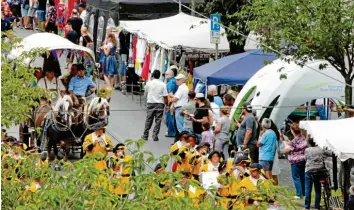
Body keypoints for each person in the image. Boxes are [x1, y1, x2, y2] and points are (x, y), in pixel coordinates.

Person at [304, 138, 331, 210]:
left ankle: (307, 207)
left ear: (309, 142)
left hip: (309, 170)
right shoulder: (321, 149)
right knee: (317, 189)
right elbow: (331, 153)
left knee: (308, 190)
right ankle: (317, 206)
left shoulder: (307, 150)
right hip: (319, 171)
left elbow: (305, 158)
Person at [281, 123, 307, 199]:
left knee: (296, 177)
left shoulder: (294, 141)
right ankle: (304, 192)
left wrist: (284, 143)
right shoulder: (303, 137)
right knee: (302, 176)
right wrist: (287, 142)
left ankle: (299, 194)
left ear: (292, 131)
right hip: (303, 159)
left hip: (295, 161)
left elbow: (286, 150)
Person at [142, 70, 168, 142]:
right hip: (160, 104)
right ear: (159, 76)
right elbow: (165, 96)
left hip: (150, 103)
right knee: (158, 120)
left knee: (148, 119)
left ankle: (145, 135)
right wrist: (167, 105)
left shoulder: (148, 83)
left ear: (152, 75)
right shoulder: (163, 84)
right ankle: (155, 135)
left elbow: (145, 93)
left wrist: (146, 102)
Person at [170, 74, 189, 139]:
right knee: (181, 125)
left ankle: (183, 140)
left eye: (178, 80)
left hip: (179, 108)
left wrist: (171, 97)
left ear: (182, 80)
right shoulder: (184, 87)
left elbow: (175, 99)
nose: (176, 81)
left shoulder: (181, 88)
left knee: (180, 126)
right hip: (182, 107)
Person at [165, 69, 177, 137]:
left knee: (169, 118)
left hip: (171, 103)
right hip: (173, 102)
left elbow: (170, 94)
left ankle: (171, 132)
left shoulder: (171, 82)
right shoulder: (173, 81)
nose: (165, 76)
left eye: (166, 74)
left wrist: (168, 104)